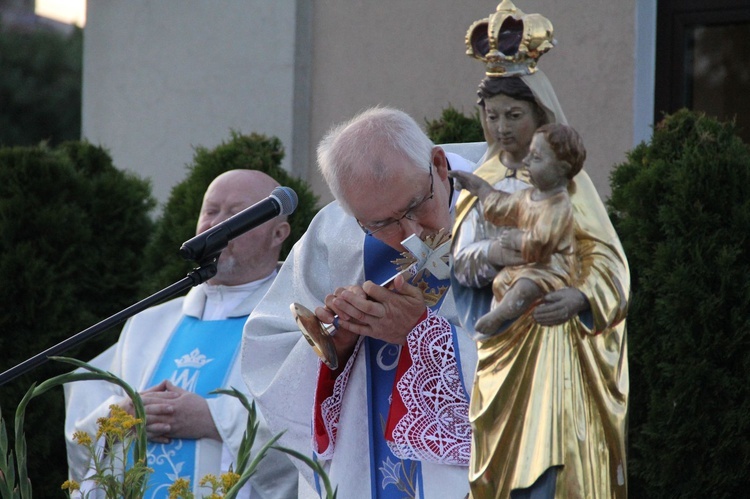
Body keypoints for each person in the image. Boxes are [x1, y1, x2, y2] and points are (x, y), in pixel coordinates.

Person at [241, 107, 479, 498]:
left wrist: (423, 334)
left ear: (437, 164)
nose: (409, 234)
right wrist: (335, 349)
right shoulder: (333, 235)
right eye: (381, 224)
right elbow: (273, 363)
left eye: (416, 206)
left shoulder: (513, 213)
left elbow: (541, 359)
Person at [452, 2, 630, 498]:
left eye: (515, 115)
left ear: (540, 115)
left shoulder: (572, 187)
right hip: (501, 345)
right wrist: (495, 255)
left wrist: (580, 298)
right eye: (493, 117)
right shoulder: (482, 183)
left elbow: (609, 261)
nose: (503, 128)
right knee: (499, 467)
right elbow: (462, 262)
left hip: (560, 340)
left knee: (553, 469)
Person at [64, 170, 298, 499]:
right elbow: (83, 416)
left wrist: (215, 420)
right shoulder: (149, 324)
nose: (216, 224)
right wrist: (124, 415)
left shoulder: (293, 322)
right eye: (211, 211)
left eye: (236, 213)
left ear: (278, 234)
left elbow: (313, 429)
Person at [449, 123, 585, 338]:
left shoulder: (560, 206)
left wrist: (516, 239)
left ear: (562, 168)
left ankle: (498, 317)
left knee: (525, 287)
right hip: (521, 269)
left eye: (537, 158)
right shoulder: (529, 195)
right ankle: (499, 318)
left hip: (549, 270)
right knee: (506, 283)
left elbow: (542, 242)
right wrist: (481, 189)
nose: (527, 162)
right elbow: (502, 206)